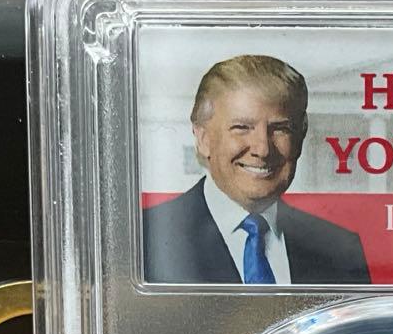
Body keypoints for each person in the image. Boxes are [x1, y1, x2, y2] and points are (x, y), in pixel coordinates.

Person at [143, 55, 369, 285]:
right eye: (242, 127)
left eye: (280, 129)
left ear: (301, 136)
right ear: (203, 139)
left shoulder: (341, 251)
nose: (263, 149)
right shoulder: (146, 239)